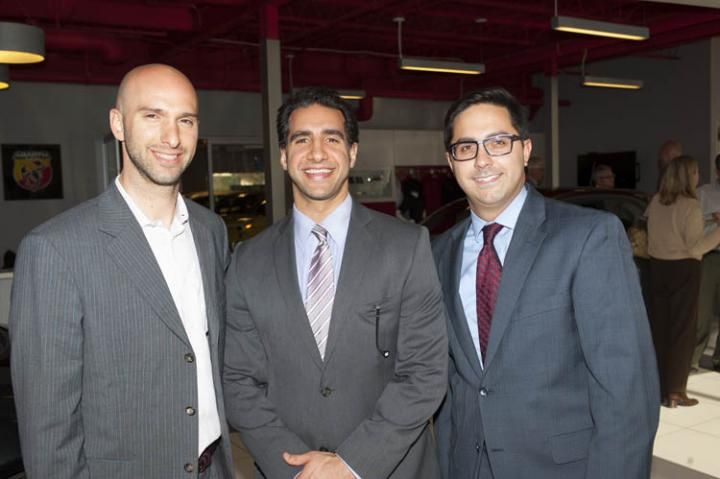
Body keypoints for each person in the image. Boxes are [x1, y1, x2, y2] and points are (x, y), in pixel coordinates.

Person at [9, 64, 234, 478]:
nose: (172, 137)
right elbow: (48, 428)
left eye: (185, 120)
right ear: (118, 124)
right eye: (152, 116)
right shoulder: (55, 249)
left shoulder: (210, 231)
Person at [432, 87, 659, 479]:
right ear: (451, 162)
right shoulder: (439, 252)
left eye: (498, 142)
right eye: (466, 147)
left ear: (525, 150)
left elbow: (625, 389)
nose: (482, 160)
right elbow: (453, 381)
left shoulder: (588, 237)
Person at [223, 87, 447, 479]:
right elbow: (238, 380)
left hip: (390, 468)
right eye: (301, 140)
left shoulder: (406, 247)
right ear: (283, 155)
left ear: (353, 152)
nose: (317, 153)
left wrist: (353, 463)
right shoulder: (247, 261)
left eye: (332, 139)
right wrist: (297, 468)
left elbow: (424, 372)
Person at [647, 155, 720, 406]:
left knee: (660, 329)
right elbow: (696, 247)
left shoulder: (656, 201)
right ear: (688, 176)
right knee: (682, 332)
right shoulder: (691, 206)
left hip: (657, 268)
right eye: (696, 172)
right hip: (684, 270)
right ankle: (676, 392)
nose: (698, 176)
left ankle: (659, 387)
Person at [693, 153, 720, 372]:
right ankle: (692, 359)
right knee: (703, 312)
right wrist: (713, 218)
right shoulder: (703, 193)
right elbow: (691, 225)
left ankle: (718, 359)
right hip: (710, 255)